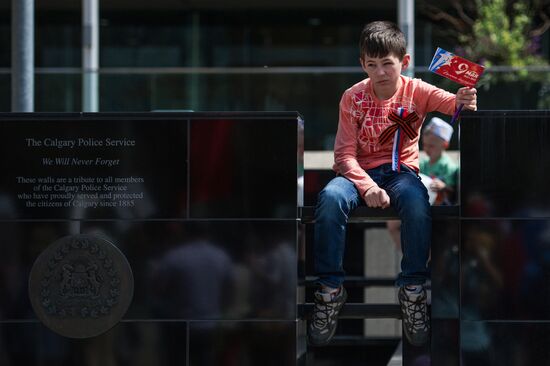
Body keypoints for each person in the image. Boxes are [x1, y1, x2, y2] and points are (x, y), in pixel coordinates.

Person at [307, 20, 477, 347]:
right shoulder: (352, 97)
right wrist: (366, 186)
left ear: (404, 62)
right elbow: (343, 155)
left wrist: (465, 97)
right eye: (372, 64)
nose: (381, 72)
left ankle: (412, 288)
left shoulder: (417, 90)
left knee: (416, 202)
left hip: (401, 174)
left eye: (387, 63)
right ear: (362, 64)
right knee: (328, 199)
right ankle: (330, 290)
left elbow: (456, 104)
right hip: (358, 173)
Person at [387, 116, 459, 249]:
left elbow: (453, 192)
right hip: (420, 204)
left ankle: (427, 265)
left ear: (445, 145)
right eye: (424, 145)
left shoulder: (448, 166)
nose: (427, 149)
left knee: (431, 242)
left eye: (431, 146)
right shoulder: (422, 163)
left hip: (438, 210)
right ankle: (410, 259)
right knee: (393, 224)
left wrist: (443, 187)